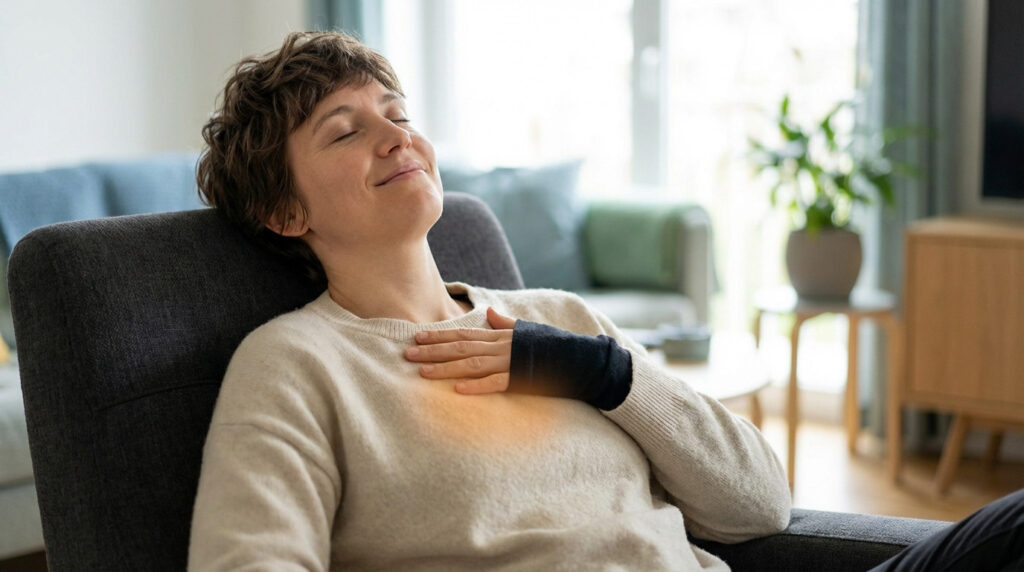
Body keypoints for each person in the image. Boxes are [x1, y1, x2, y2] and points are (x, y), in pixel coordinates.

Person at [188, 31, 1024, 571]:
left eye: (398, 114)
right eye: (345, 130)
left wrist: (604, 373)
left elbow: (757, 503)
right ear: (285, 212)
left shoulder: (563, 320)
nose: (397, 135)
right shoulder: (296, 366)